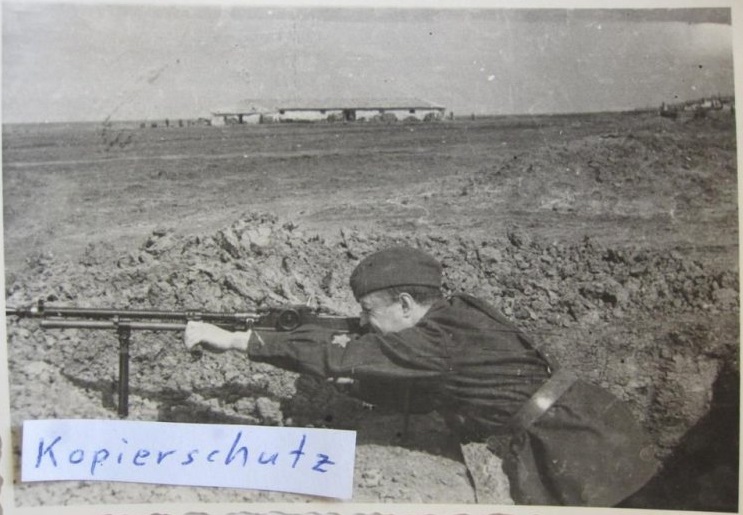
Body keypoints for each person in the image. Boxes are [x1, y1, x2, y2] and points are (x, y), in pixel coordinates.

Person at [184, 246, 659, 506]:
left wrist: (236, 341)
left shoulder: (436, 340)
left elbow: (341, 356)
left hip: (575, 443)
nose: (365, 321)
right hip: (585, 420)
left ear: (407, 304)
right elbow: (426, 387)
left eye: (369, 311)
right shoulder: (456, 314)